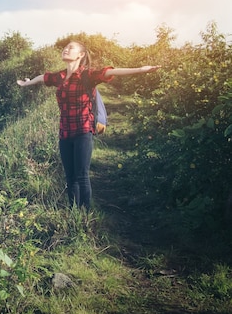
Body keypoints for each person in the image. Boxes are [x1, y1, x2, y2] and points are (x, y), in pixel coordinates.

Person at [17, 41, 160, 210]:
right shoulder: (60, 77)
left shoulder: (88, 75)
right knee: (70, 177)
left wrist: (140, 69)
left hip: (83, 131)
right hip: (64, 133)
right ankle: (73, 213)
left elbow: (111, 72)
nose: (66, 49)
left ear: (81, 55)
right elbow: (43, 77)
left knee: (81, 175)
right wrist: (27, 83)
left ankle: (85, 215)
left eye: (71, 48)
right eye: (65, 47)